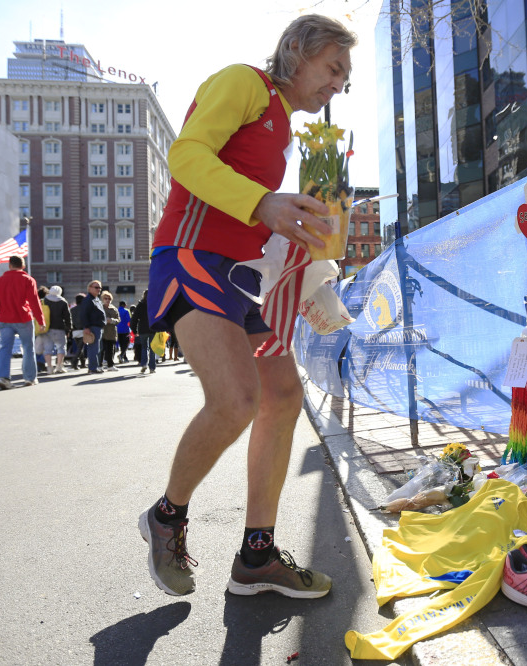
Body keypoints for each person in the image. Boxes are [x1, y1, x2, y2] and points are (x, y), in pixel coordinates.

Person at [137, 14, 356, 600]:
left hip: (245, 275)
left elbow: (268, 222)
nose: (338, 85)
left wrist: (312, 279)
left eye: (344, 79)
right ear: (295, 51)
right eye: (333, 68)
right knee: (236, 399)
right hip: (191, 255)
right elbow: (185, 156)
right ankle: (167, 516)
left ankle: (257, 556)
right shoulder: (244, 83)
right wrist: (263, 203)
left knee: (283, 395)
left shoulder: (283, 126)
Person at [0, 255, 44, 389]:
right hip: (23, 318)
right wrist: (40, 320)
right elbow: (34, 301)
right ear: (23, 266)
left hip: (4, 319)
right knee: (28, 348)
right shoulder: (28, 280)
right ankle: (29, 378)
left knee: (5, 349)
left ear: (9, 265)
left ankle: (2, 377)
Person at [76, 281, 106, 374]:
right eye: (96, 287)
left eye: (100, 288)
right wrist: (86, 327)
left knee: (97, 348)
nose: (99, 289)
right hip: (92, 327)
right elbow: (84, 314)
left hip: (98, 327)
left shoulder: (96, 299)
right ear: (89, 288)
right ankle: (92, 368)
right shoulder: (88, 299)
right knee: (93, 348)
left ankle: (95, 366)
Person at [41, 285, 72, 374]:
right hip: (60, 328)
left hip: (47, 328)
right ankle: (59, 366)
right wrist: (68, 329)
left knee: (47, 349)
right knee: (61, 348)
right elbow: (67, 317)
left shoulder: (44, 301)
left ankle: (49, 367)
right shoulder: (63, 302)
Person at [130, 290, 155, 375]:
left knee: (144, 347)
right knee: (152, 349)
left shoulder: (140, 305)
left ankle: (144, 364)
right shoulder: (154, 304)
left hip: (142, 330)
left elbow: (134, 318)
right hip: (152, 329)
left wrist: (134, 330)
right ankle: (152, 367)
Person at [99, 290, 120, 371]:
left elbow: (118, 320)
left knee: (110, 350)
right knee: (101, 350)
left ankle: (110, 365)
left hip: (111, 332)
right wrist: (104, 320)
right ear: (102, 299)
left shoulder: (114, 309)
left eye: (109, 299)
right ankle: (99, 366)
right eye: (105, 298)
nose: (107, 300)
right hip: (102, 332)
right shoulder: (100, 308)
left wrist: (111, 320)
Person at [69, 293, 87, 371]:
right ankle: (74, 362)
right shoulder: (85, 309)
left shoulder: (72, 310)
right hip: (83, 330)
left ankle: (83, 363)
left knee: (80, 347)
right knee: (80, 347)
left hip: (75, 331)